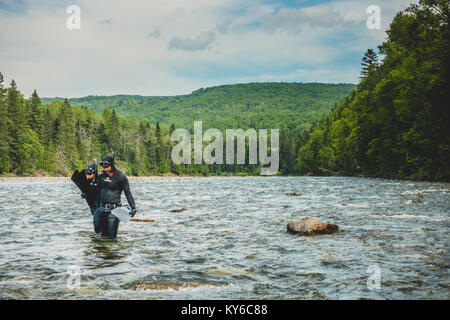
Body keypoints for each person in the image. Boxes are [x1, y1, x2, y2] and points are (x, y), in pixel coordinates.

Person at [93, 155, 137, 239]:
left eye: (107, 166)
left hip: (114, 211)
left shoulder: (120, 176)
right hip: (101, 210)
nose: (105, 168)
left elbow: (128, 193)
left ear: (112, 165)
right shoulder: (101, 176)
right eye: (103, 165)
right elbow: (96, 191)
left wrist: (133, 207)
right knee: (102, 238)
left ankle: (114, 251)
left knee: (112, 239)